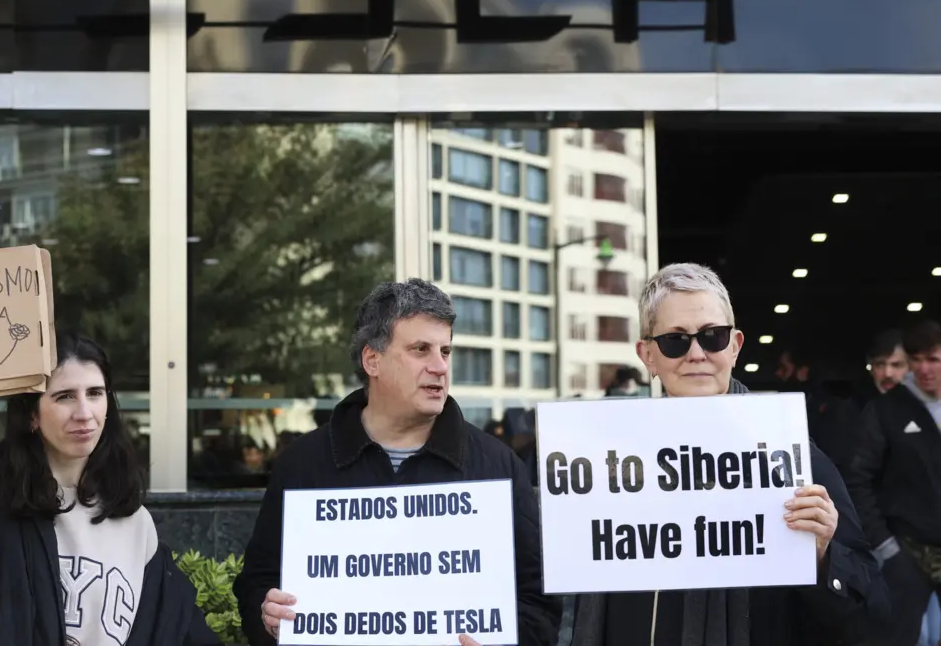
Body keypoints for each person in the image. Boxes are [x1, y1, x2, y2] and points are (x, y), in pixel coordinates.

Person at [559, 263, 888, 646]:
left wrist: (822, 557)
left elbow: (873, 620)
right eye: (675, 341)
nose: (696, 353)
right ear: (647, 355)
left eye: (712, 337)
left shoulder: (790, 458)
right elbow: (558, 589)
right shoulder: (603, 461)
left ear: (735, 347)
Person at [233, 278, 563, 646]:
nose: (439, 367)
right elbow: (256, 583)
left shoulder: (497, 466)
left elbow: (538, 602)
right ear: (372, 360)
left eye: (446, 351)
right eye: (420, 349)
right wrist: (268, 616)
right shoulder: (303, 464)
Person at [0, 332, 220, 646]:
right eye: (65, 396)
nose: (85, 413)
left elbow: (179, 628)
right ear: (32, 415)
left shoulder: (134, 522)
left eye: (95, 393)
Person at [845, 319, 941, 646]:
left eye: (933, 359)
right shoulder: (886, 410)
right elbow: (857, 480)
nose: (924, 368)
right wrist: (886, 548)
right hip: (908, 552)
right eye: (916, 360)